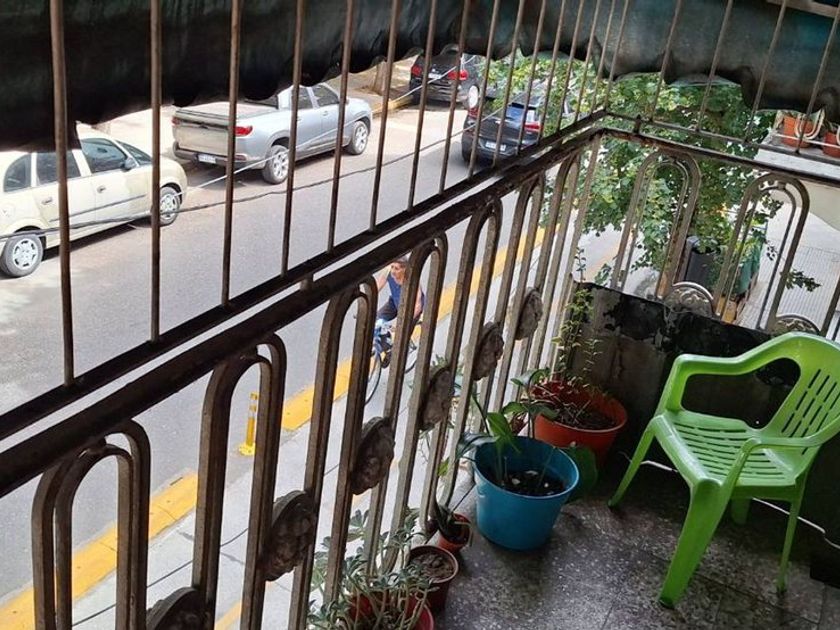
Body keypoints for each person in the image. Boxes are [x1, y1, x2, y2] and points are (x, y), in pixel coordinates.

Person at [374, 257, 424, 365]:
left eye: (396, 269)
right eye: (392, 267)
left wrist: (404, 321)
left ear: (404, 269)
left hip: (410, 308)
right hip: (395, 302)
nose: (393, 271)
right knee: (378, 321)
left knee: (401, 335)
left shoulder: (412, 281)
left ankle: (399, 352)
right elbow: (376, 288)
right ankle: (388, 349)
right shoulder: (388, 272)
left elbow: (418, 305)